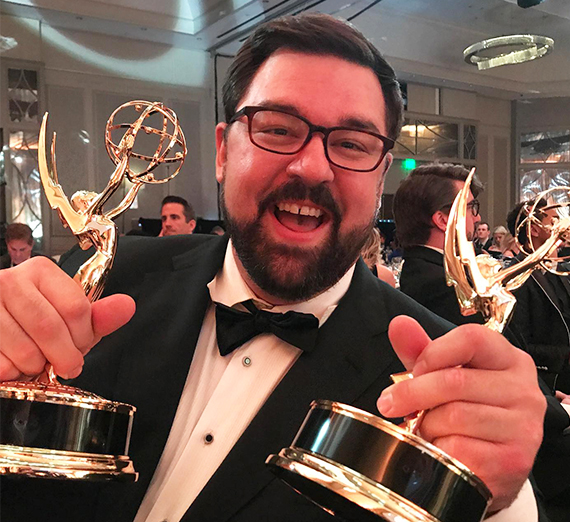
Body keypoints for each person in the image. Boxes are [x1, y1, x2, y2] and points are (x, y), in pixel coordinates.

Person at [0, 14, 546, 522]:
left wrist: (499, 499)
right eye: (279, 129)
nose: (312, 167)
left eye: (352, 144)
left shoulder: (437, 372)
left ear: (381, 179)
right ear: (222, 151)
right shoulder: (104, 278)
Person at [394, 163, 486, 326]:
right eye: (471, 208)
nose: (477, 218)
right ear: (443, 220)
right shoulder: (443, 285)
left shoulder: (421, 269)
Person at [507, 199, 570, 394]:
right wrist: (566, 355)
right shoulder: (516, 277)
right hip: (548, 383)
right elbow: (520, 345)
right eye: (554, 220)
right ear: (534, 229)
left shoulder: (556, 269)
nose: (562, 224)